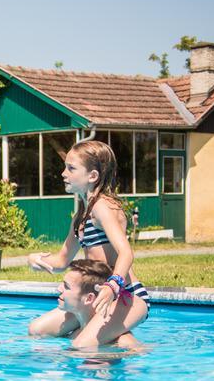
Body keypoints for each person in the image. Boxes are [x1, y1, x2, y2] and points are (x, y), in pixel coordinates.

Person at [27, 139, 149, 340]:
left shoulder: (103, 207)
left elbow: (126, 253)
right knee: (37, 330)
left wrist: (112, 286)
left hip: (125, 294)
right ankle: (111, 335)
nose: (63, 174)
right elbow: (61, 262)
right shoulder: (81, 215)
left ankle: (129, 347)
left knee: (83, 345)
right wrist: (35, 260)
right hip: (94, 296)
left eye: (71, 168)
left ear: (92, 176)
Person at [55, 259, 140, 349]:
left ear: (89, 298)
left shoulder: (121, 341)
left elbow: (140, 355)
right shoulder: (73, 333)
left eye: (66, 286)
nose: (59, 289)